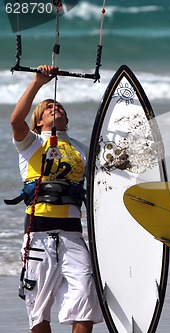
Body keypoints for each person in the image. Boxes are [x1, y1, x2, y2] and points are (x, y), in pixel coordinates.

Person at [8, 65, 103, 333]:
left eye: (59, 107)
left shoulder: (82, 150)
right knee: (39, 314)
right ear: (38, 121)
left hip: (74, 237)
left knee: (86, 303)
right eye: (49, 108)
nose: (55, 109)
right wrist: (38, 83)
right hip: (38, 235)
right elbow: (16, 120)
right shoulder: (31, 143)